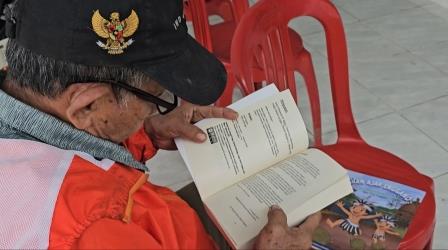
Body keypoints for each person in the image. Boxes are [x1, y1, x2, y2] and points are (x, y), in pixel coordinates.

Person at [0, 0, 320, 249]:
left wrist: (145, 131)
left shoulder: (32, 105)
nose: (159, 107)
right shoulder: (102, 224)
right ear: (88, 105)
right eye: (156, 96)